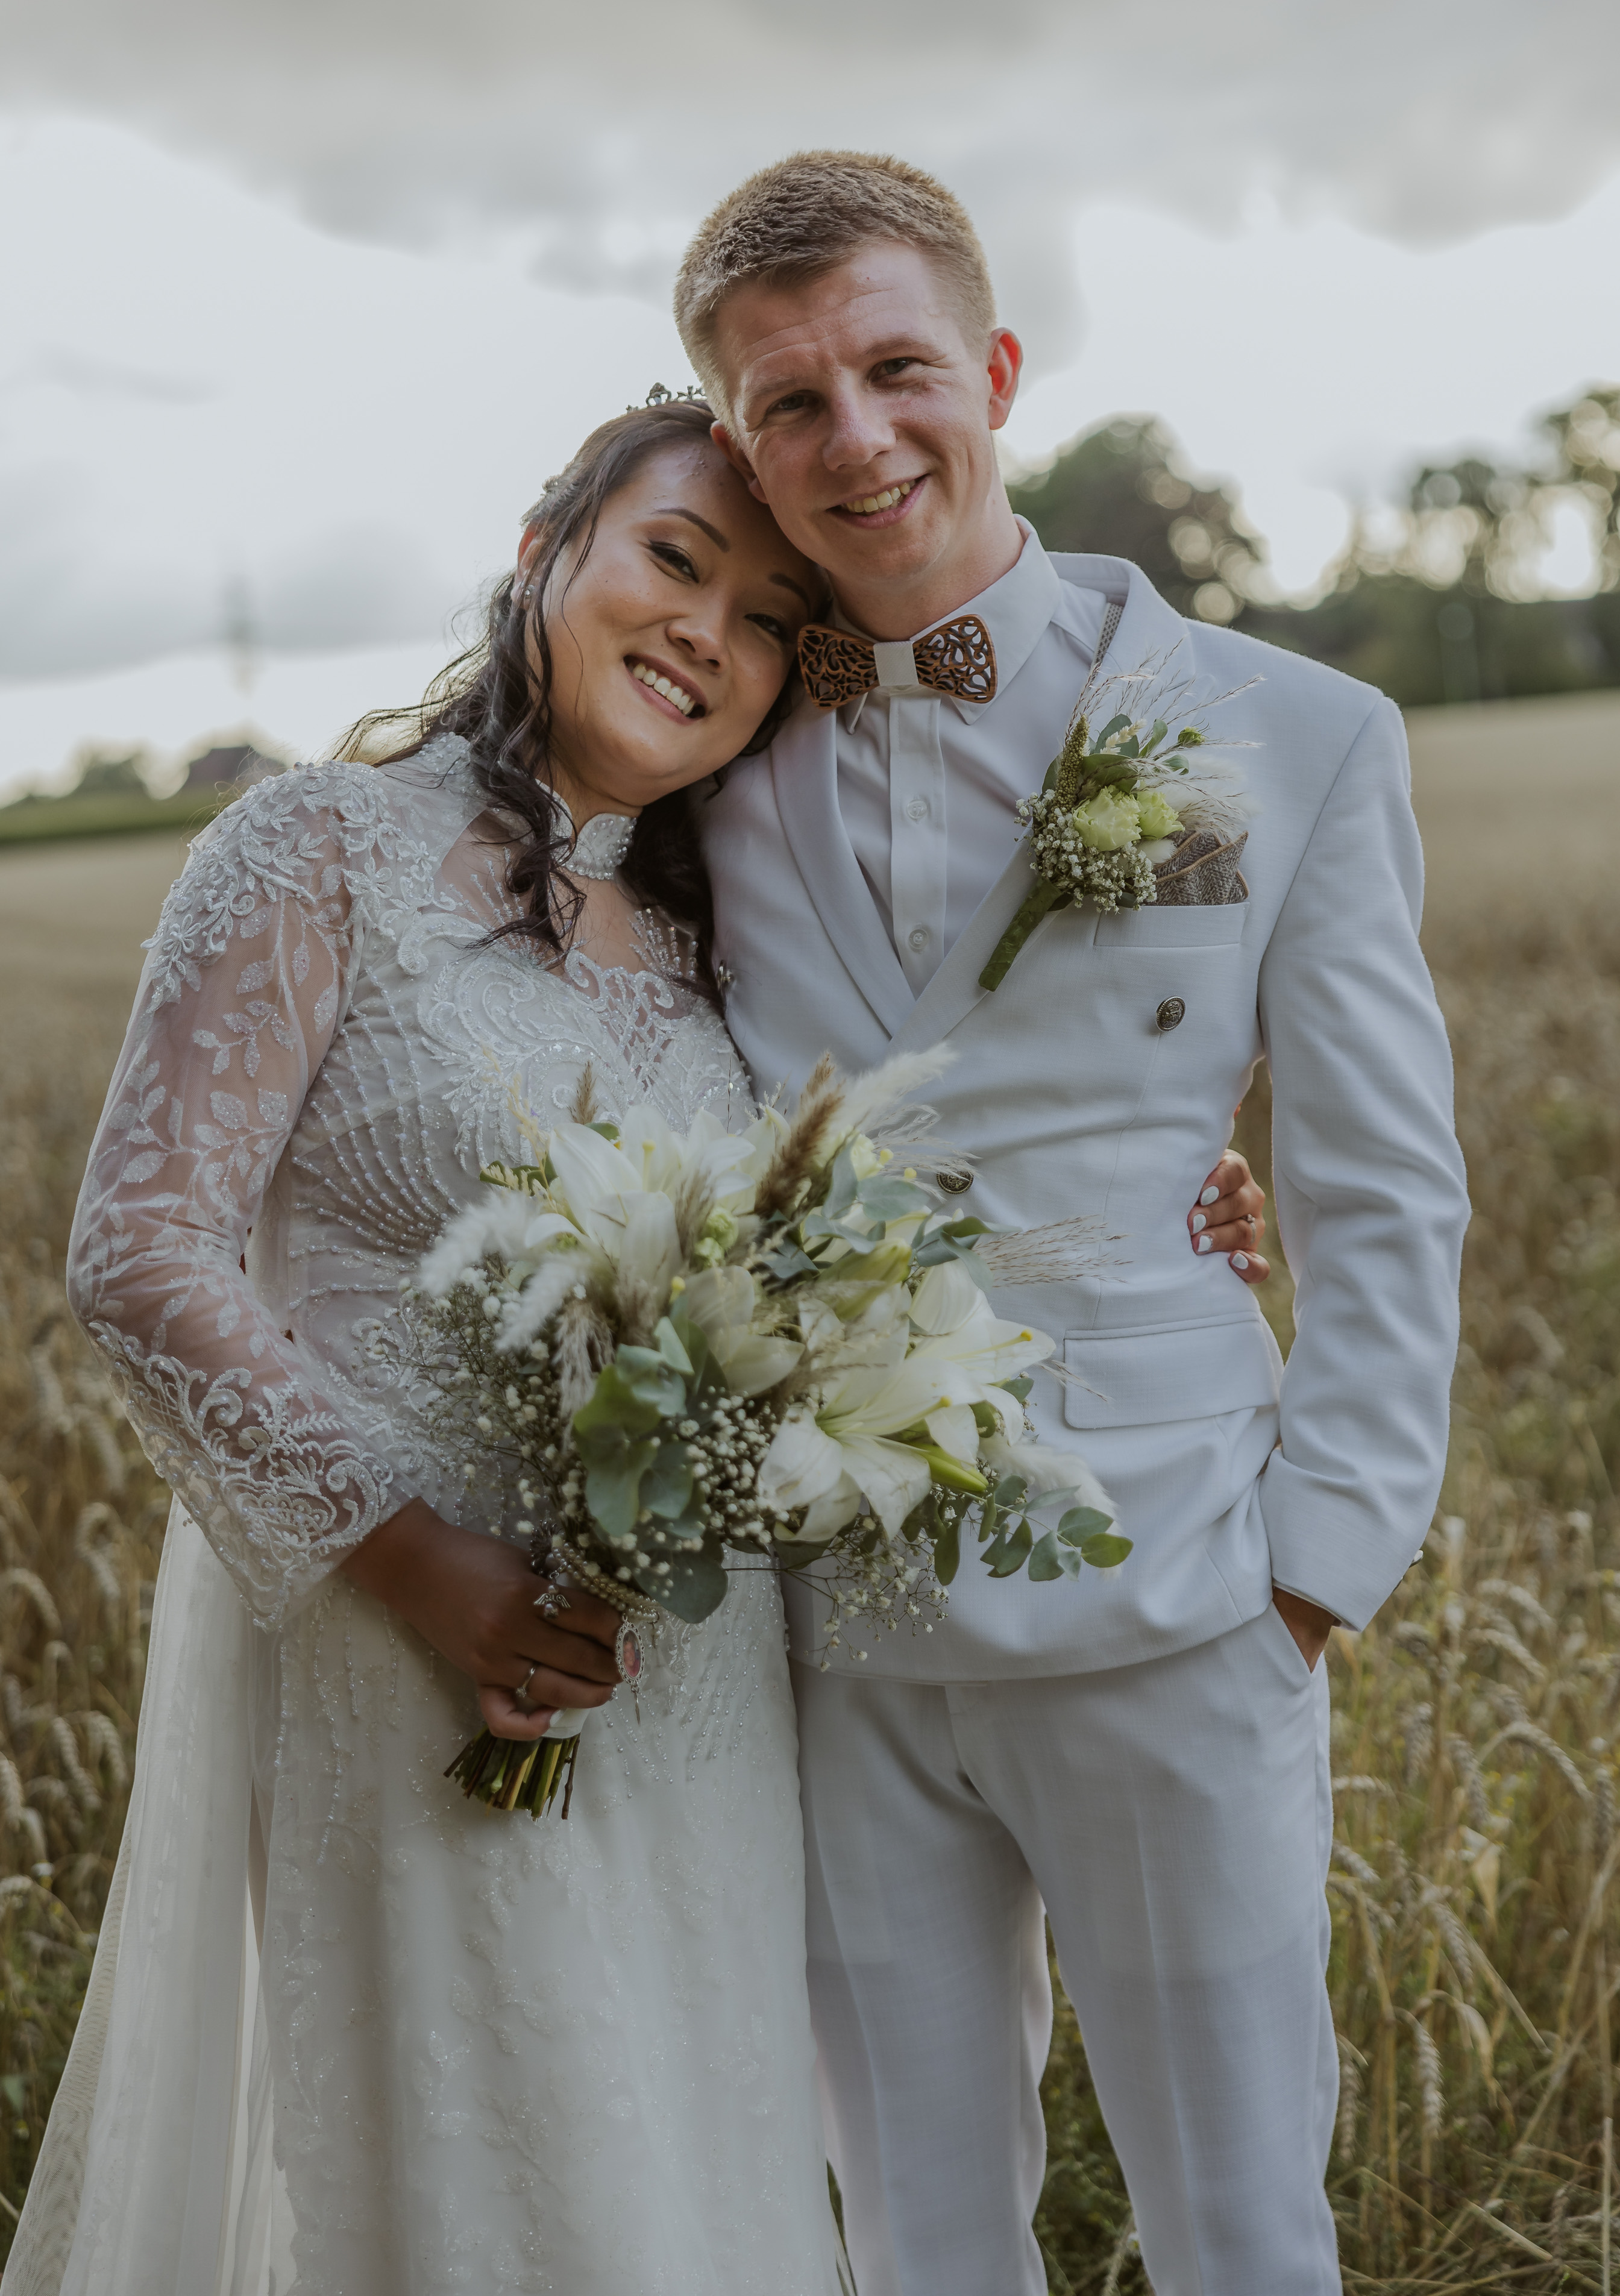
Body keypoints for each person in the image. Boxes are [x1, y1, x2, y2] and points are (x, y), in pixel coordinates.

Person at [4, 395, 1267, 2296]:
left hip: (693, 1686)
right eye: (674, 560)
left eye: (768, 619)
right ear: (545, 555)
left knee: (694, 2180)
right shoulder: (315, 849)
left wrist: (1174, 1197)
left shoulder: (722, 939)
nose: (706, 632)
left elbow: (882, 1208)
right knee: (496, 2188)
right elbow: (141, 1251)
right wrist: (419, 1565)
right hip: (417, 1659)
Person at [679, 152, 1471, 2296]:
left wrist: (1313, 1573)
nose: (858, 437)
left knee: (1242, 2230)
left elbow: (1384, 1179)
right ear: (741, 447)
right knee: (914, 2239)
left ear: (999, 370)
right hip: (832, 1627)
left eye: (897, 370)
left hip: (1179, 1585)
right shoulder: (698, 769)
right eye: (788, 402)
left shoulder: (1291, 734)